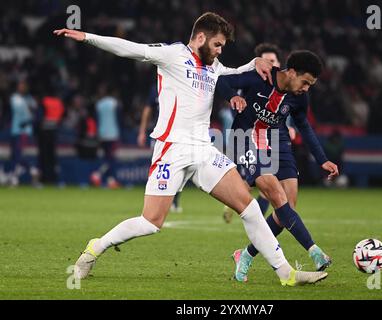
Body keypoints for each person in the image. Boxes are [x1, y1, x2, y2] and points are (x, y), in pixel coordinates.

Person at [54, 12, 327, 286]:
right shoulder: (172, 54)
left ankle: (286, 274)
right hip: (172, 149)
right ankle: (96, 247)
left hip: (203, 150)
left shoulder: (214, 66)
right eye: (218, 44)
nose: (220, 51)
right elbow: (131, 49)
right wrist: (87, 37)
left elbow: (234, 74)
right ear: (200, 37)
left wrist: (254, 61)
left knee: (250, 208)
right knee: (151, 222)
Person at [216, 50, 338, 282]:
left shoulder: (300, 97)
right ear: (291, 72)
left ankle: (246, 254)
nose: (306, 88)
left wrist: (322, 159)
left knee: (287, 209)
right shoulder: (259, 77)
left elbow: (304, 126)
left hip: (276, 142)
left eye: (310, 85)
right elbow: (222, 80)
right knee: (275, 194)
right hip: (245, 140)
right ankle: (314, 251)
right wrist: (232, 96)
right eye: (305, 82)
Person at [222, 43, 287, 223]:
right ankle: (239, 207)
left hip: (270, 139)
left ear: (279, 63)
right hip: (247, 138)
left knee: (264, 183)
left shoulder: (283, 87)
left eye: (273, 61)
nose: (270, 65)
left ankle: (253, 218)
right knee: (255, 182)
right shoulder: (251, 82)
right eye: (266, 61)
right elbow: (238, 109)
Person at [138, 83, 182, 212]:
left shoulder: (180, 83)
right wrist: (142, 131)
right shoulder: (156, 87)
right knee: (159, 168)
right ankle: (155, 201)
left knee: (177, 167)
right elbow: (147, 110)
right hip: (160, 135)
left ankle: (174, 201)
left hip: (178, 134)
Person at [7, 80, 39, 186]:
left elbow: (35, 111)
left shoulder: (29, 99)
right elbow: (21, 110)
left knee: (18, 154)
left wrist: (30, 117)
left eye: (23, 86)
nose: (22, 88)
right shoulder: (15, 98)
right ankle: (32, 171)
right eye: (20, 86)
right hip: (16, 130)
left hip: (25, 132)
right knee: (15, 155)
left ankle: (15, 177)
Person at [90, 84, 121, 189]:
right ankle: (97, 174)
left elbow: (96, 120)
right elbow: (118, 118)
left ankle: (111, 181)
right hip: (112, 134)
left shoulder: (98, 104)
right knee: (110, 159)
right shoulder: (114, 103)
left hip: (102, 134)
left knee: (107, 157)